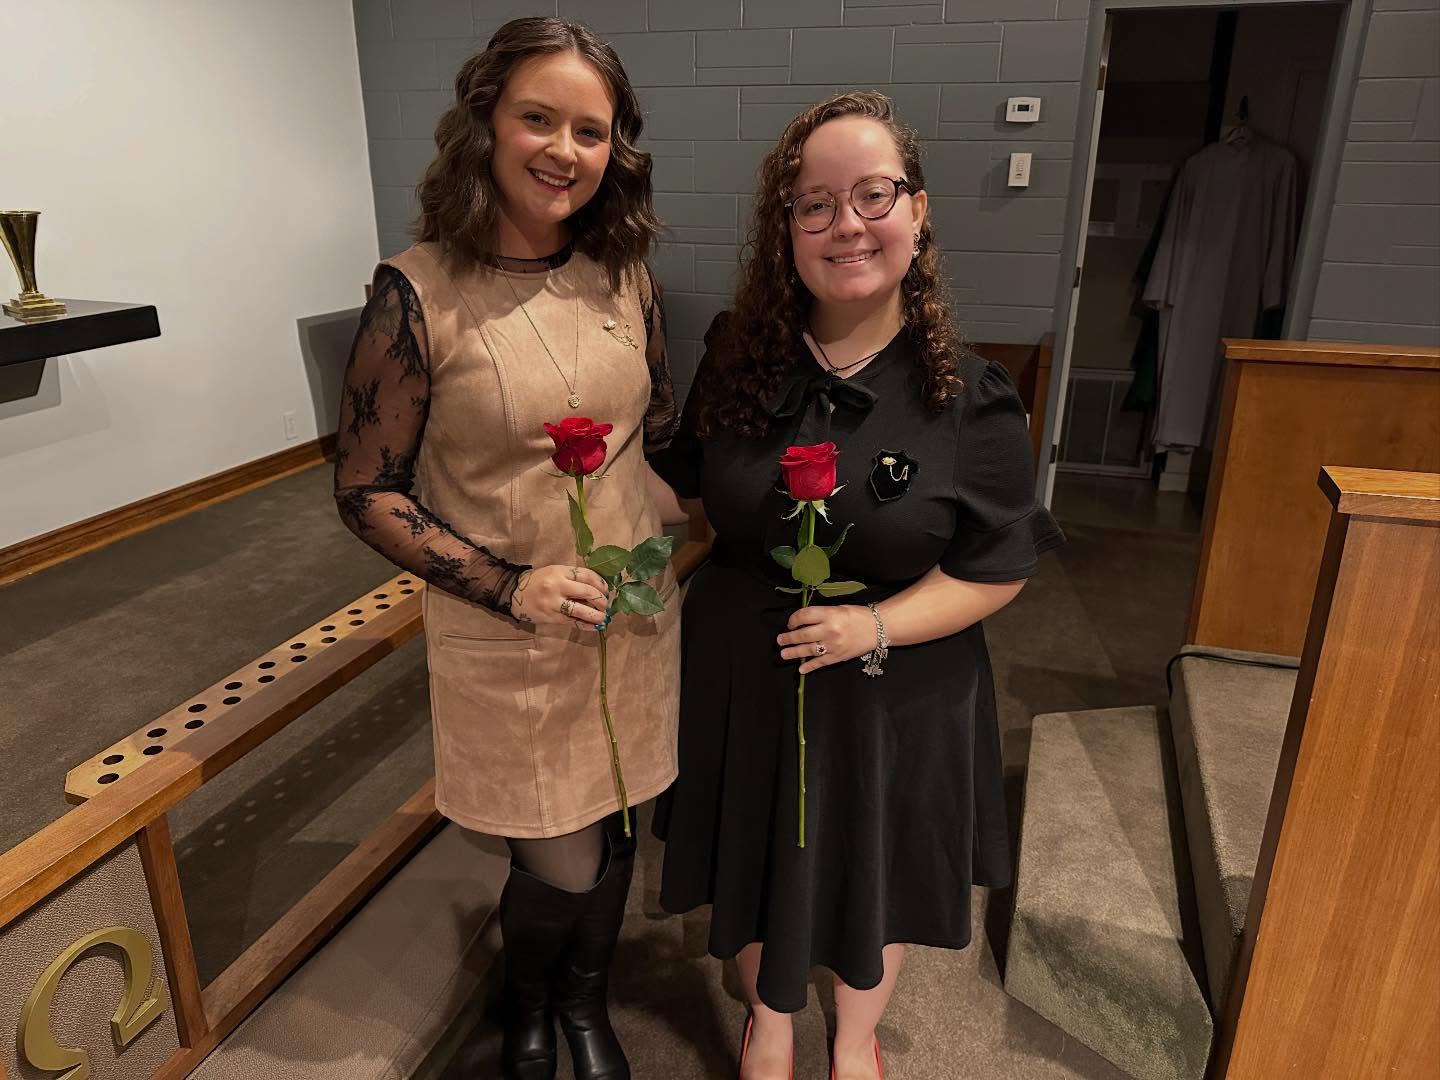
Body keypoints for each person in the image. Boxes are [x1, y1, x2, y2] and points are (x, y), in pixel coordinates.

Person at [650, 91, 1065, 1080]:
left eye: (873, 194)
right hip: (746, 676)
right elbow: (686, 487)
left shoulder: (967, 394)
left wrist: (873, 626)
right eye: (815, 203)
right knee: (755, 860)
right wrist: (562, 473)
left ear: (917, 212)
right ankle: (769, 1023)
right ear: (786, 229)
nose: (847, 224)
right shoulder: (738, 358)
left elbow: (998, 566)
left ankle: (852, 1036)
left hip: (897, 687)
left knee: (873, 876)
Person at [334, 18, 681, 1080]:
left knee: (615, 825)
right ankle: (529, 1001)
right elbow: (365, 492)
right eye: (539, 118)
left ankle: (583, 1004)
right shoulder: (417, 290)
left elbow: (654, 429)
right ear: (485, 121)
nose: (564, 150)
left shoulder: (623, 273)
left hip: (629, 616)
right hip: (509, 630)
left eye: (591, 130)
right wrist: (511, 585)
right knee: (560, 851)